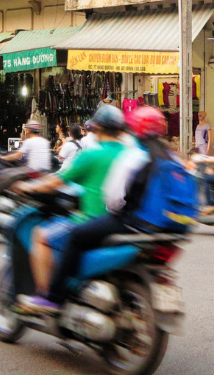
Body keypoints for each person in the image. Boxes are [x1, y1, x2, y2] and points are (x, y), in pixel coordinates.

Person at [13, 104, 128, 313]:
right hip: (123, 222)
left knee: (41, 234)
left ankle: (45, 296)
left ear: (97, 129)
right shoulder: (131, 154)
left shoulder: (91, 155)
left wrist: (27, 186)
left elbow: (56, 182)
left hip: (92, 220)